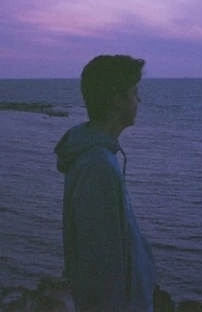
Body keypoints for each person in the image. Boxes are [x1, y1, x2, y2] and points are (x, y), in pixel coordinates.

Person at [54, 55, 156, 312]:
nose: (139, 100)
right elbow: (101, 267)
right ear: (116, 101)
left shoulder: (99, 157)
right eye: (134, 93)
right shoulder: (97, 167)